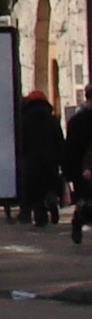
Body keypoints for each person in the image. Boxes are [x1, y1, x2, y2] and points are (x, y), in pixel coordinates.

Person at [15, 88, 66, 227]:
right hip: (50, 160)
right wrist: (62, 160)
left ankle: (39, 217)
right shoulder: (52, 119)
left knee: (33, 189)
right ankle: (51, 202)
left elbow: (21, 141)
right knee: (47, 186)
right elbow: (59, 141)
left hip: (30, 160)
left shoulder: (24, 119)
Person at [64, 87, 92, 246]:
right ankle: (80, 218)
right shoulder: (78, 120)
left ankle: (79, 219)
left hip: (80, 169)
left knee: (84, 199)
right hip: (84, 168)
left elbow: (70, 148)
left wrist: (69, 172)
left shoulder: (76, 120)